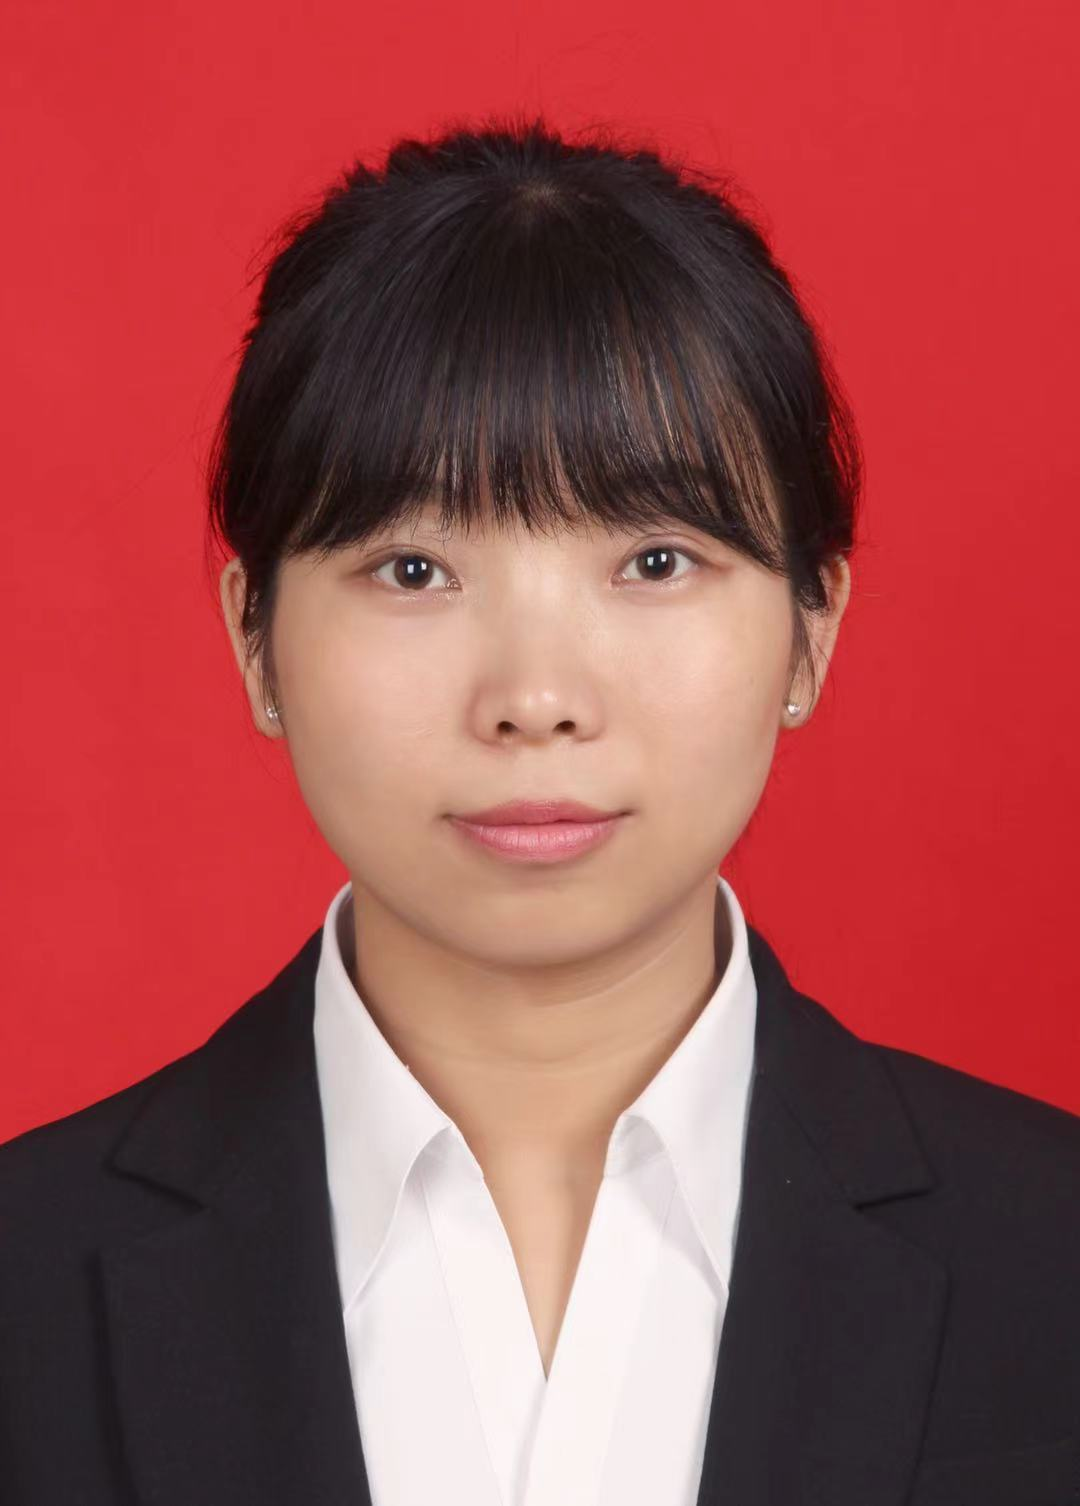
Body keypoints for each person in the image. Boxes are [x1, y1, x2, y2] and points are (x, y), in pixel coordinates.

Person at [2, 114, 1078, 1506]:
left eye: (654, 559)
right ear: (253, 639)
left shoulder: (1053, 1250)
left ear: (812, 627)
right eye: (413, 570)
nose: (536, 698)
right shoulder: (26, 1280)